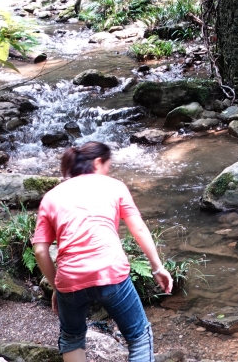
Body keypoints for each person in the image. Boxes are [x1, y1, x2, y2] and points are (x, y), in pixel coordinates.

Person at [32, 142, 172, 362]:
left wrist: (58, 287)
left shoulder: (51, 196)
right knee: (138, 337)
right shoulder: (114, 186)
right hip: (111, 273)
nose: (109, 171)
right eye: (108, 165)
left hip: (70, 278)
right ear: (98, 162)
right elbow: (138, 228)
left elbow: (40, 250)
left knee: (72, 337)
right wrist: (158, 267)